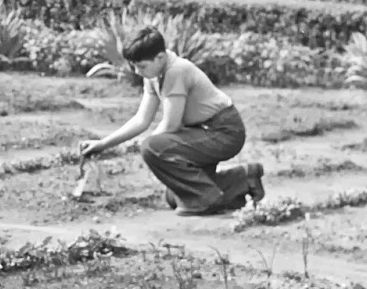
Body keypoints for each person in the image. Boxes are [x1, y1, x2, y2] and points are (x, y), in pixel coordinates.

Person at [79, 25, 265, 214]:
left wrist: (149, 149)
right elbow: (141, 119)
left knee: (154, 148)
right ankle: (244, 178)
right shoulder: (154, 73)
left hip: (224, 132)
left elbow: (171, 125)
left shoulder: (176, 71)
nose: (136, 71)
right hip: (202, 132)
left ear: (160, 57)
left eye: (141, 66)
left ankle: (207, 200)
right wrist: (102, 144)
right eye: (134, 66)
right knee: (174, 197)